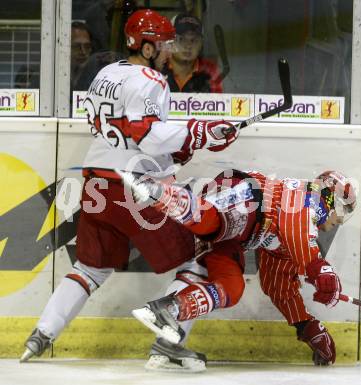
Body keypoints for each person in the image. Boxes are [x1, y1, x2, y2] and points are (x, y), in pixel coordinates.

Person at [20, 8, 239, 363]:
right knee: (203, 253)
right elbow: (148, 136)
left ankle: (41, 335)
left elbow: (127, 136)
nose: (169, 50)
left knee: (91, 268)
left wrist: (180, 151)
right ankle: (168, 344)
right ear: (148, 47)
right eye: (165, 43)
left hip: (96, 181)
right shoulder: (152, 80)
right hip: (131, 189)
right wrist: (197, 131)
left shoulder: (106, 73)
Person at [119, 168, 356, 369]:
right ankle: (155, 189)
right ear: (329, 196)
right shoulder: (304, 197)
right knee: (214, 221)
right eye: (343, 211)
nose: (339, 222)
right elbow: (298, 229)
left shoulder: (291, 237)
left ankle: (168, 317)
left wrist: (306, 325)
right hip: (246, 197)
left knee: (230, 286)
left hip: (235, 237)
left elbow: (279, 285)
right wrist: (319, 269)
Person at [162, 13, 223, 93]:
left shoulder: (210, 70)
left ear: (201, 44)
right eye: (181, 39)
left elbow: (219, 103)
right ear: (170, 41)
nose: (188, 46)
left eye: (194, 40)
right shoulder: (158, 67)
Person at [71, 21, 93, 91]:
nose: (83, 52)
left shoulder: (96, 79)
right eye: (77, 46)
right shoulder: (53, 79)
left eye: (87, 47)